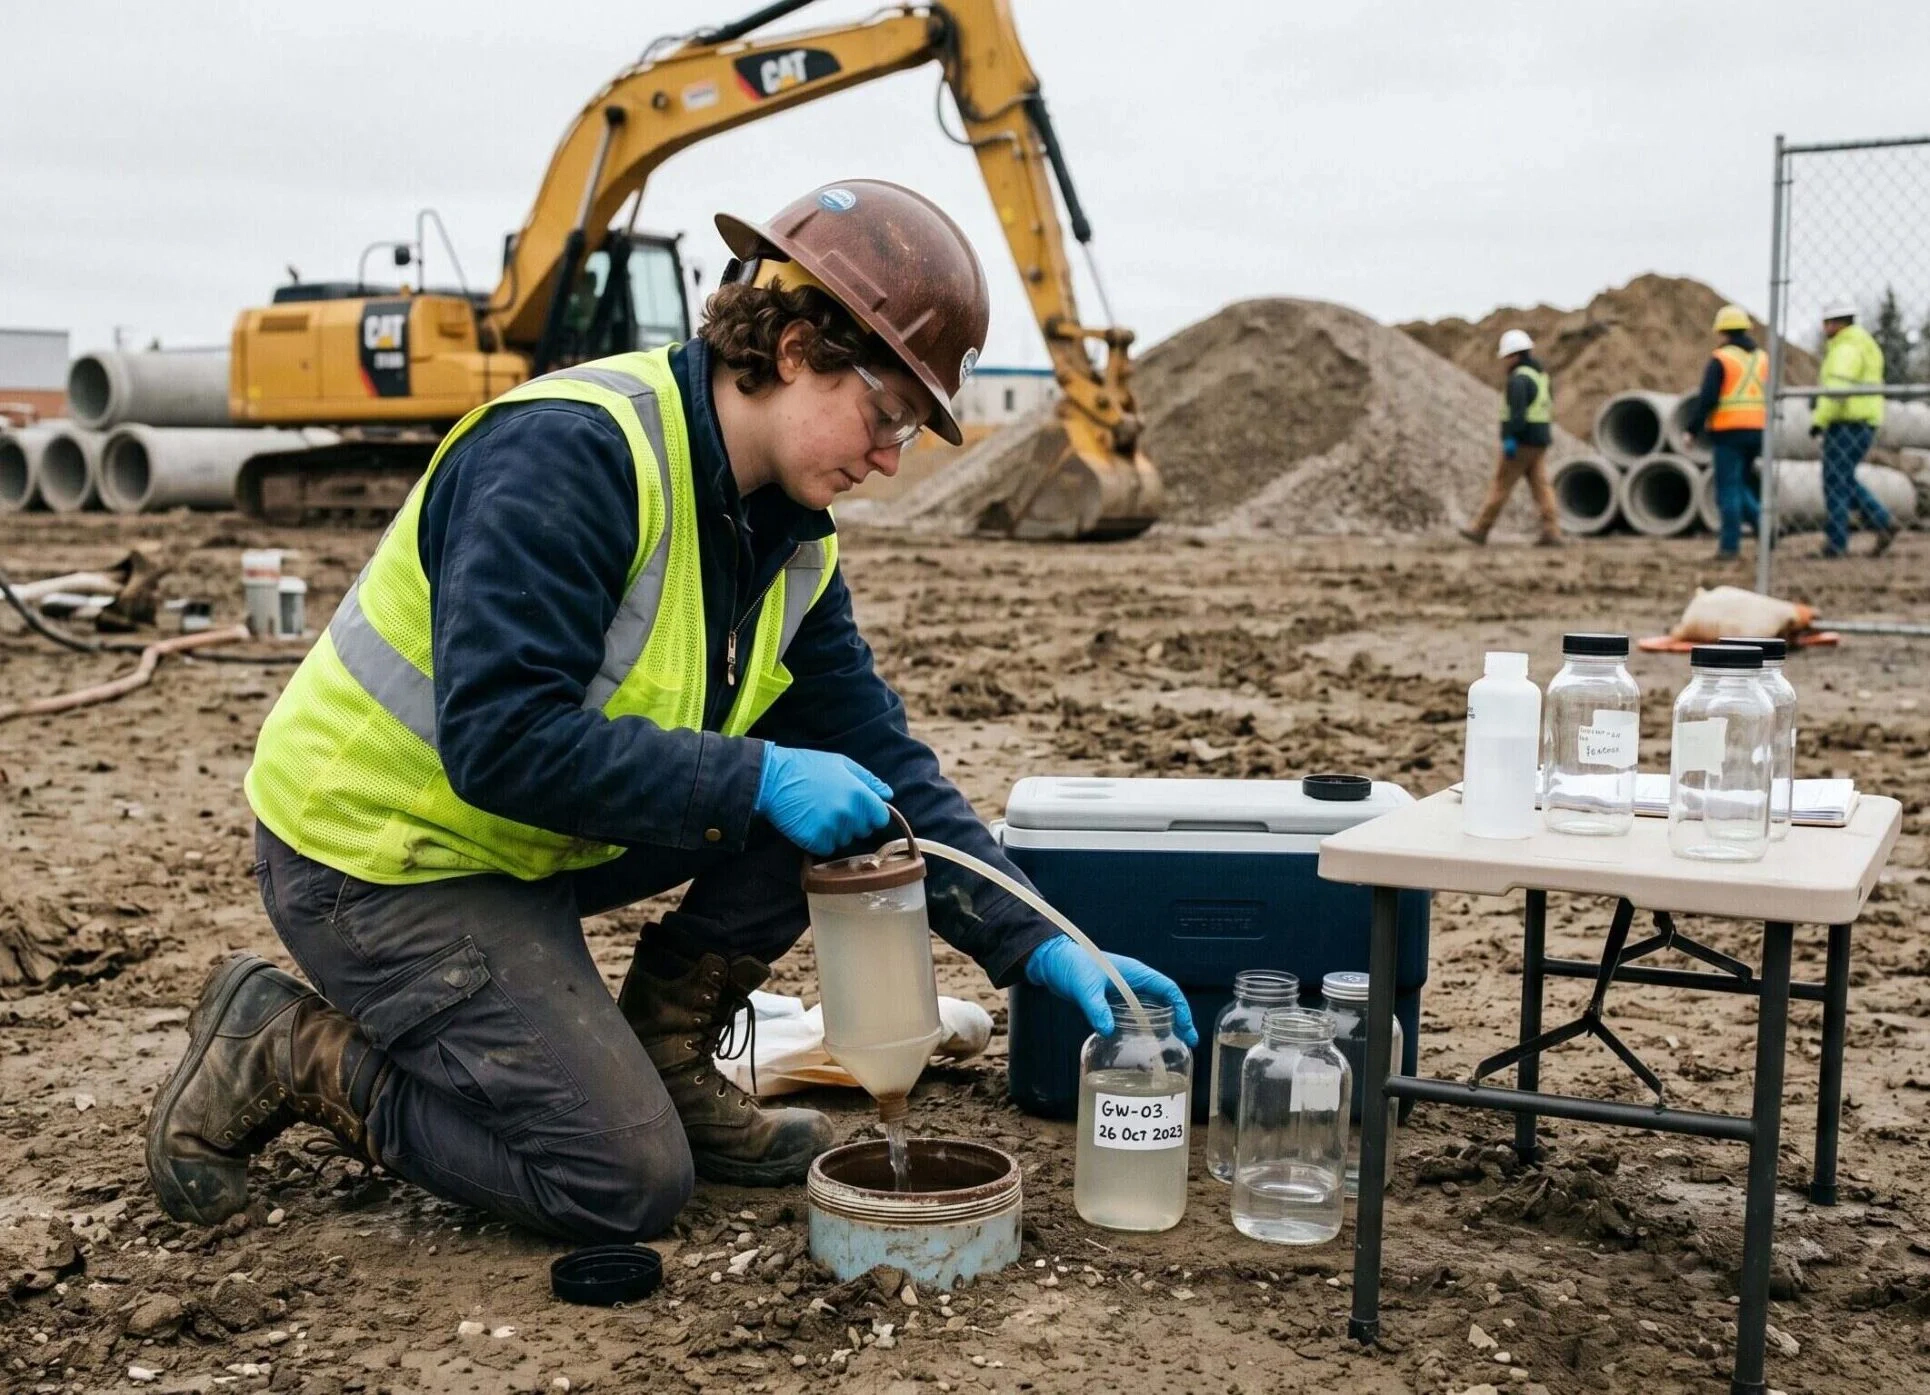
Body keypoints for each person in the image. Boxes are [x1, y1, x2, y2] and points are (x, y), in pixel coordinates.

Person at [145, 180, 1195, 1243]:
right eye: (884, 417)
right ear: (793, 349)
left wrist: (1045, 947)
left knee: (837, 799)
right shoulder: (570, 456)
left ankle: (663, 1053)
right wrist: (758, 778)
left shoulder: (790, 531)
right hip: (379, 859)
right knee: (619, 1180)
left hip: (527, 843)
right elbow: (501, 741)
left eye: (907, 436)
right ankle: (285, 1046)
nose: (887, 459)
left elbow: (879, 760)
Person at [1811, 299, 1897, 558]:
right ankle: (1882, 520)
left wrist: (1820, 419)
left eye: (1826, 322)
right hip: (1863, 421)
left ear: (1835, 323)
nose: (1823, 328)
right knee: (1843, 478)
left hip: (1847, 423)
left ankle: (1836, 544)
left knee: (1835, 481)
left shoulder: (1846, 348)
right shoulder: (1863, 343)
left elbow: (1837, 390)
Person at [1460, 329, 1562, 546]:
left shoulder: (1519, 380)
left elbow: (1517, 414)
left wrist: (1510, 438)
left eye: (1506, 357)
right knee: (1541, 487)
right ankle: (1551, 531)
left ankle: (1480, 528)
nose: (1504, 362)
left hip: (1522, 441)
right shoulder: (1540, 376)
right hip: (1540, 440)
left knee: (1501, 485)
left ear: (1515, 356)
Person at [1680, 304, 1766, 560]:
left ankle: (1729, 547)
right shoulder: (1762, 358)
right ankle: (1766, 529)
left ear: (1722, 332)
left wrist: (1691, 429)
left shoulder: (1722, 359)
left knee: (1727, 489)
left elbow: (1708, 398)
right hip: (1758, 430)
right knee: (1739, 484)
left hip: (1730, 431)